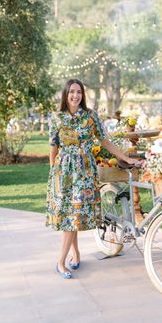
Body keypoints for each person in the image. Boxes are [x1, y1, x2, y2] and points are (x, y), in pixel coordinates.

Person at [46, 79, 138, 279]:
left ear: (83, 95)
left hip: (85, 172)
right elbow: (53, 148)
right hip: (63, 172)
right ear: (66, 94)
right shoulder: (56, 117)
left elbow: (105, 141)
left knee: (75, 214)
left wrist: (125, 157)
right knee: (71, 215)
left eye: (79, 92)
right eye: (72, 92)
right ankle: (74, 254)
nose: (75, 95)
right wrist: (54, 175)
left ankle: (61, 262)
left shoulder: (90, 116)